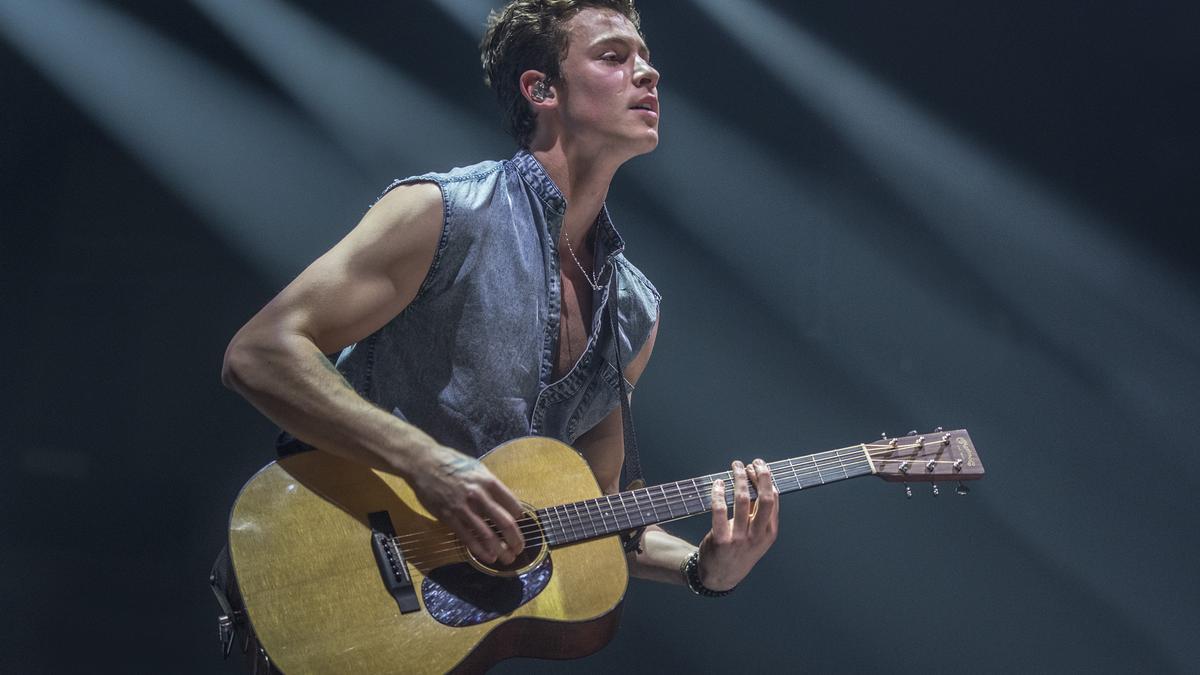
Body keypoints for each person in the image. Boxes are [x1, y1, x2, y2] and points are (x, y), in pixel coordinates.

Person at [216, 0, 778, 666]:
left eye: (646, 56)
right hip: (331, 584)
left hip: (447, 640)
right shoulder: (441, 214)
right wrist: (428, 465)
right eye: (613, 56)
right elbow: (259, 351)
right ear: (540, 89)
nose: (648, 73)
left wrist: (701, 567)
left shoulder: (632, 311)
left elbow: (599, 514)